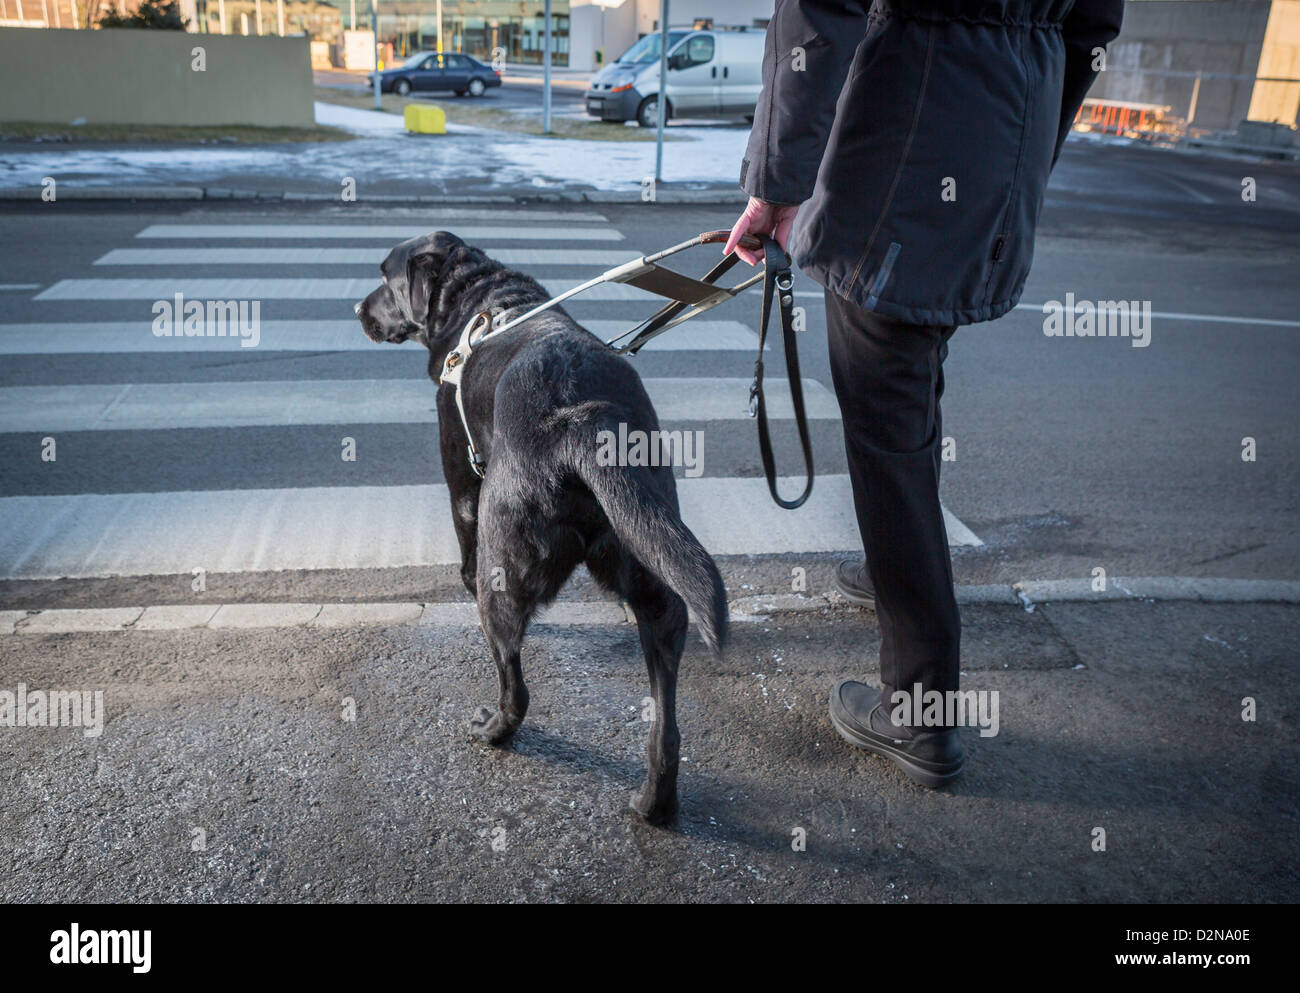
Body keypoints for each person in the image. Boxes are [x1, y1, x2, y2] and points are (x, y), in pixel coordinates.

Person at [725, 0, 1124, 786]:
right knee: (911, 376)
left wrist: (775, 186)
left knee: (887, 410)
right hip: (1000, 144)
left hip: (905, 137)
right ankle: (894, 562)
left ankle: (920, 706)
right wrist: (1021, 152)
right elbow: (1093, 26)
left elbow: (817, 13)